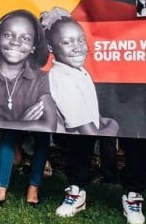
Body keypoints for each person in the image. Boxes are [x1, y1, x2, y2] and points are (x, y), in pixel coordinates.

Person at [55, 0, 146, 224]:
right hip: (94, 77)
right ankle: (76, 189)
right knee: (81, 134)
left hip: (130, 79)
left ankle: (133, 195)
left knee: (135, 136)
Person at [0, 10, 56, 207]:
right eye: (8, 35)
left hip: (33, 129)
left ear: (33, 47)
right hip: (7, 130)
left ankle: (33, 188)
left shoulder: (40, 77)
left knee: (42, 137)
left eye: (25, 38)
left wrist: (17, 122)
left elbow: (49, 123)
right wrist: (20, 122)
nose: (15, 42)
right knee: (8, 133)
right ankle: (0, 191)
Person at [41, 8, 119, 136]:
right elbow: (90, 134)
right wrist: (114, 126)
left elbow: (93, 114)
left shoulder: (79, 72)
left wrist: (102, 122)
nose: (77, 48)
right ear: (50, 47)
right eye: (67, 43)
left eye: (81, 40)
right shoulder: (63, 79)